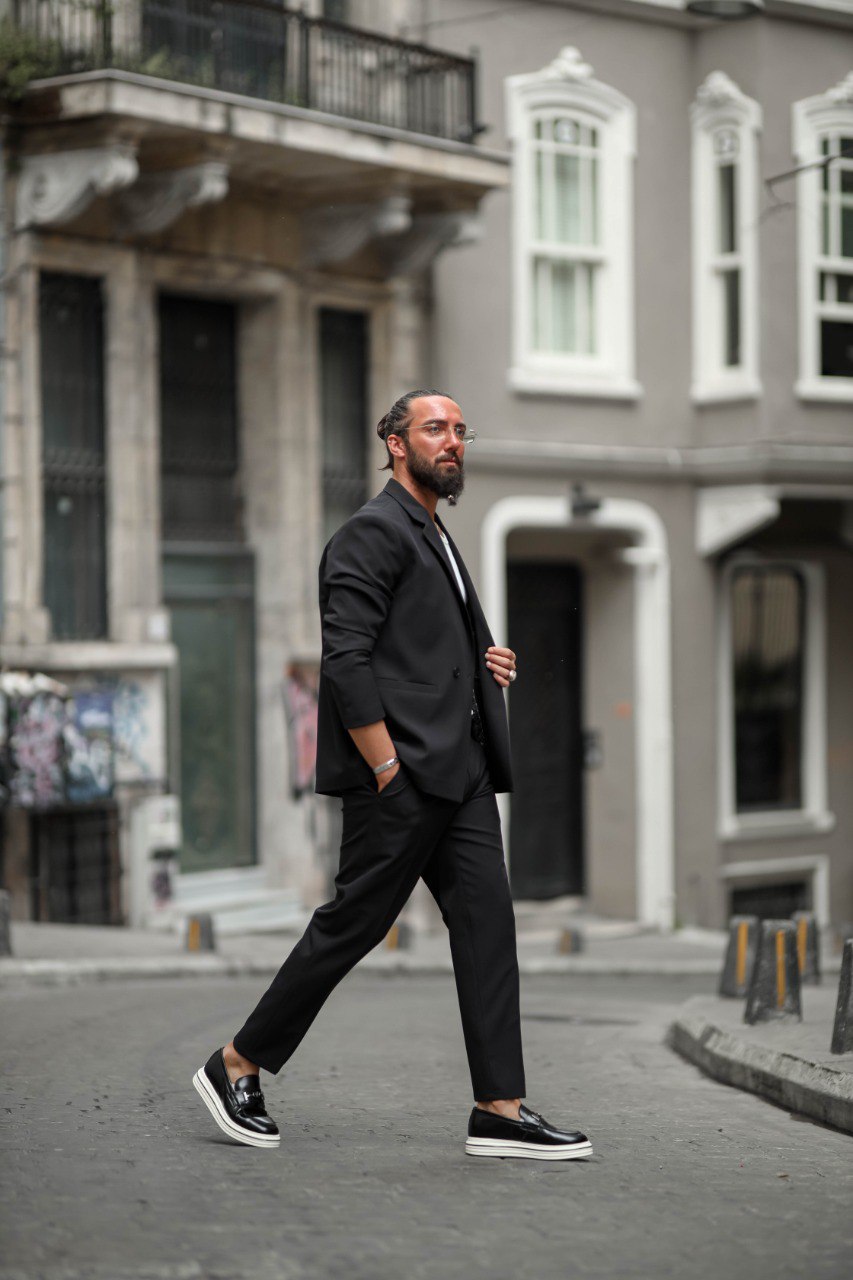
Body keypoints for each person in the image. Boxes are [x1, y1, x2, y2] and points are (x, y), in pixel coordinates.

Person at [193, 390, 592, 1161]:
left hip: (462, 771)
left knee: (486, 926)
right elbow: (345, 662)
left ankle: (498, 1108)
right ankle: (235, 1063)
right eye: (434, 429)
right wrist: (385, 768)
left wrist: (484, 664)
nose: (452, 443)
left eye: (459, 432)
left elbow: (415, 651)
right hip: (403, 774)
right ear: (393, 443)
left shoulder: (435, 534)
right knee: (354, 925)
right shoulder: (371, 533)